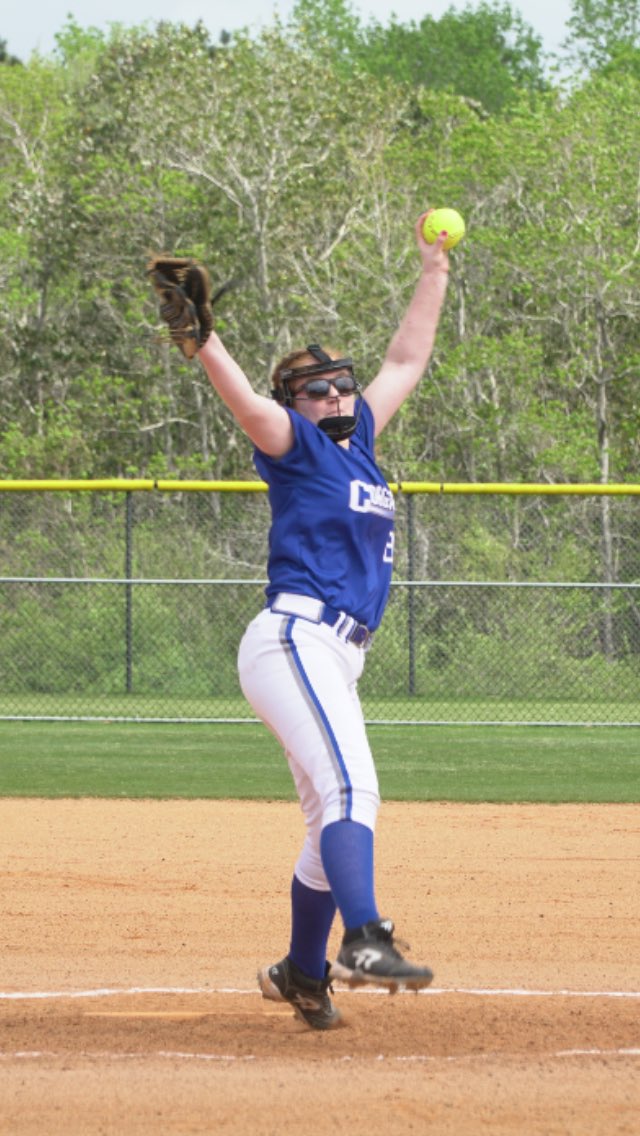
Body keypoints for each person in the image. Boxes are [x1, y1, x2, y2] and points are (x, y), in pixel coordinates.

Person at [173, 212, 448, 1029]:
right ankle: (361, 940)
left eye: (339, 384)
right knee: (352, 789)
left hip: (336, 654)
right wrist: (204, 341)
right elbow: (246, 403)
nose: (333, 395)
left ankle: (301, 971)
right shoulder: (291, 439)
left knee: (326, 825)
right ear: (295, 400)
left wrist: (433, 269)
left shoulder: (359, 437)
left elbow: (406, 357)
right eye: (315, 387)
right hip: (295, 636)